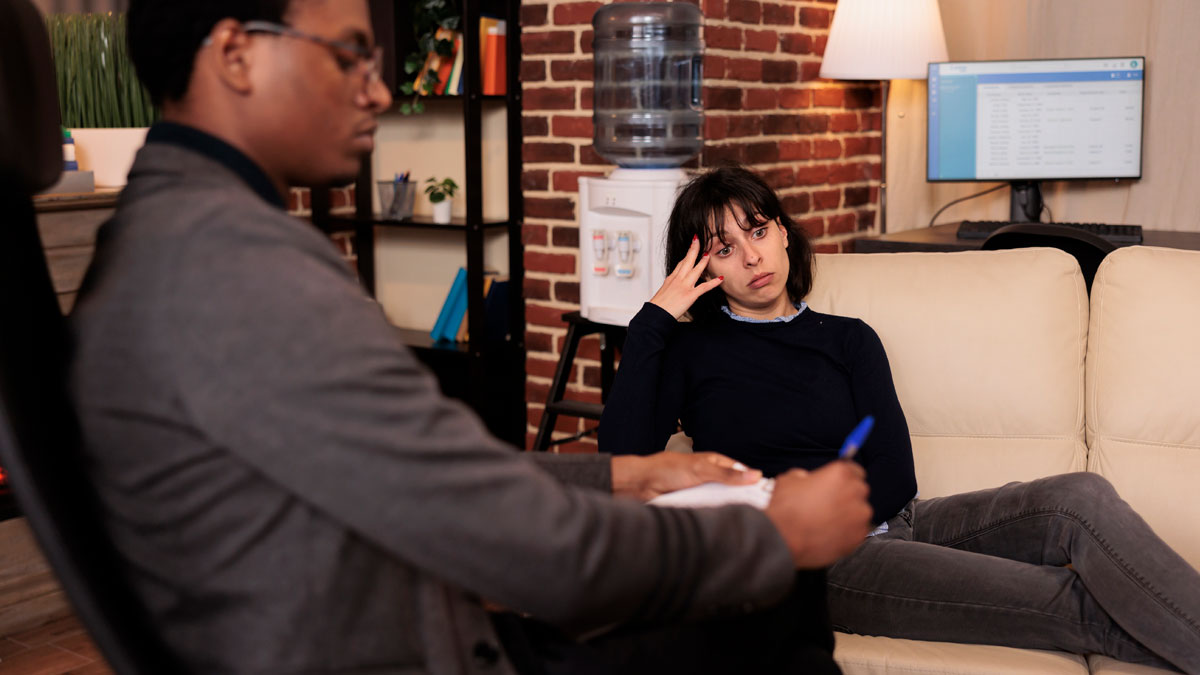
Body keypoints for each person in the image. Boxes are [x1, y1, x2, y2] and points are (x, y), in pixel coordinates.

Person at [66, 2, 876, 673]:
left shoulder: (175, 235)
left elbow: (422, 473)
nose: (380, 92)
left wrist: (627, 475)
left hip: (387, 631)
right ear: (237, 54)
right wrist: (771, 534)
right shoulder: (233, 264)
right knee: (778, 607)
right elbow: (524, 547)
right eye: (351, 55)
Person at [600, 164, 1200, 674]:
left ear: (783, 233)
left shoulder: (848, 339)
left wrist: (865, 516)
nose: (752, 256)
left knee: (1082, 495)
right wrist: (654, 318)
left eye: (758, 230)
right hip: (816, 555)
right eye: (725, 248)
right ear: (703, 268)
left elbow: (895, 469)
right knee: (1067, 600)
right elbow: (621, 459)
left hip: (901, 518)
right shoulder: (689, 352)